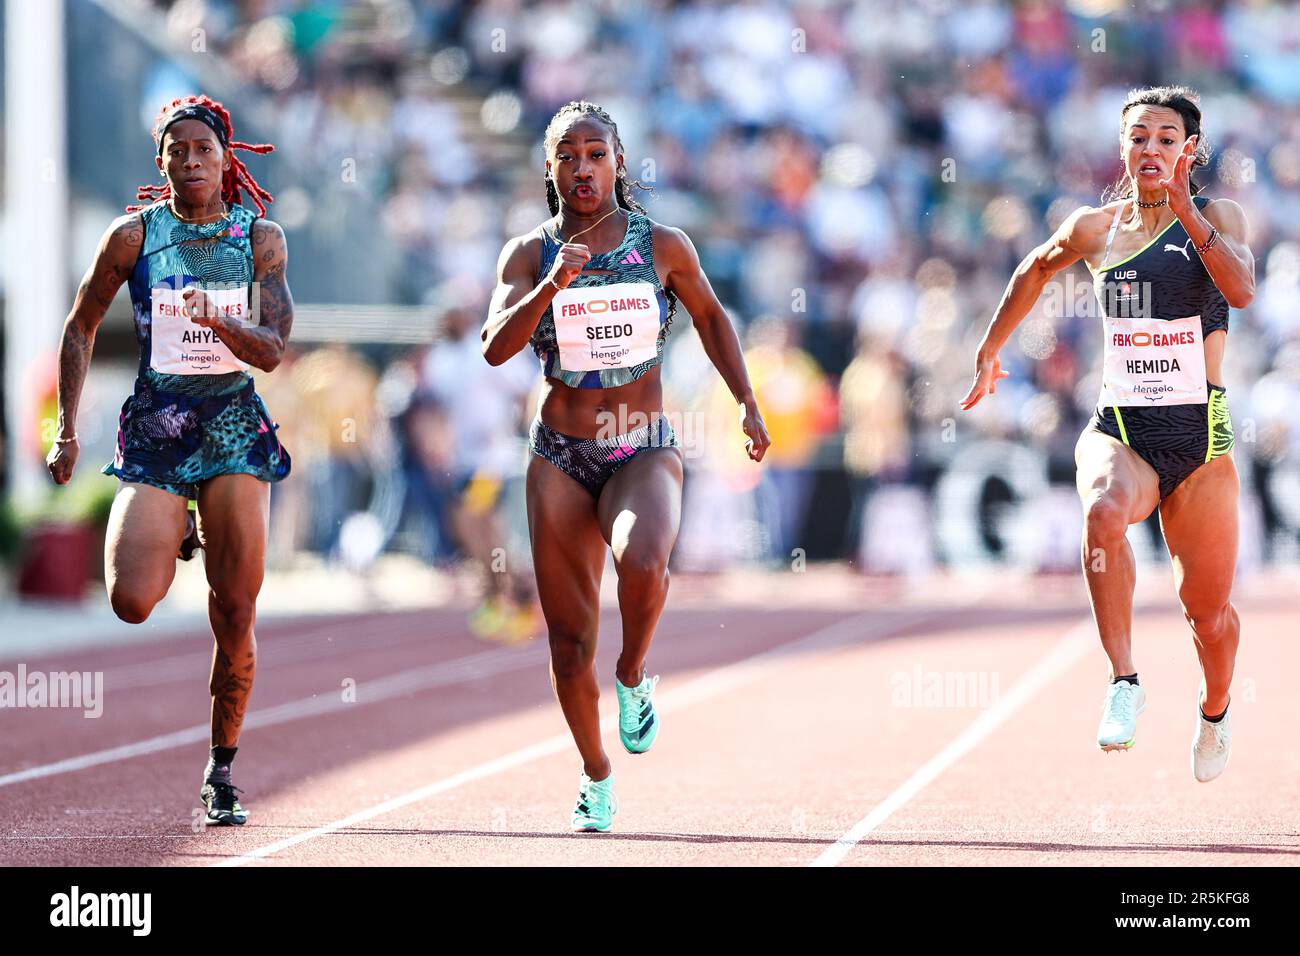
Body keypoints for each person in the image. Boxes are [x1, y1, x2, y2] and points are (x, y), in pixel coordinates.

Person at [482, 101, 770, 831]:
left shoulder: (663, 245)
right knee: (569, 642)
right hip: (559, 456)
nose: (583, 167)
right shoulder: (527, 253)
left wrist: (745, 401)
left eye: (596, 153)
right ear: (549, 169)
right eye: (567, 155)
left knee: (644, 558)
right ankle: (596, 774)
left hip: (640, 443)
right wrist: (553, 286)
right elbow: (493, 346)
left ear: (619, 162)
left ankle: (635, 673)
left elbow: (709, 318)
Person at [961, 86, 1254, 781]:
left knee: (1207, 617)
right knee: (1101, 513)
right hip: (1122, 425)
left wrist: (1185, 209)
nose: (1150, 148)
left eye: (1165, 137)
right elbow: (1035, 267)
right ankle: (1125, 681)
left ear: (1190, 150)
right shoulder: (1097, 227)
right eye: (1138, 137)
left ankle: (1215, 710)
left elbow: (1241, 290)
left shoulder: (1219, 214)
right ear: (1123, 147)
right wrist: (990, 349)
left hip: (1201, 442)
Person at [46, 95, 294, 823]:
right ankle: (181, 524)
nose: (191, 162)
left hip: (232, 428)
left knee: (235, 608)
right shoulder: (132, 237)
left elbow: (275, 351)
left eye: (204, 151)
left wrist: (221, 319)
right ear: (159, 162)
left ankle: (222, 771)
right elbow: (80, 323)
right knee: (129, 601)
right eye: (176, 151)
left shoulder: (260, 237)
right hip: (158, 425)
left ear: (227, 159)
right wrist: (66, 430)